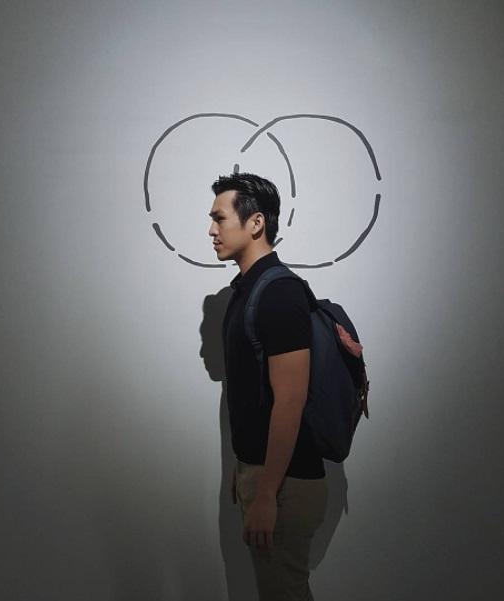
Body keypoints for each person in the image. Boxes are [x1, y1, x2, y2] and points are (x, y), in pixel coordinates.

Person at [208, 172, 327, 601]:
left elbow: (290, 400)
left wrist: (266, 494)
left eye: (219, 218)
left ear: (255, 222)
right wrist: (244, 473)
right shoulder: (247, 290)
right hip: (264, 475)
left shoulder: (279, 293)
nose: (211, 230)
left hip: (285, 483)